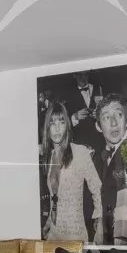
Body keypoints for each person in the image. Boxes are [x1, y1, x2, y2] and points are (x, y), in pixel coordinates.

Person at [39, 101, 102, 242]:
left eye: (61, 122)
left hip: (75, 236)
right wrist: (49, 221)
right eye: (52, 123)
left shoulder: (80, 152)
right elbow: (54, 199)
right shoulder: (50, 157)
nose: (57, 129)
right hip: (54, 234)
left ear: (67, 125)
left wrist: (100, 224)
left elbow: (96, 187)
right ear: (47, 128)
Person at [93, 95, 127, 245]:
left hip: (125, 241)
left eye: (119, 114)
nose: (114, 123)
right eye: (106, 117)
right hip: (106, 238)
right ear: (98, 126)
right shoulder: (98, 158)